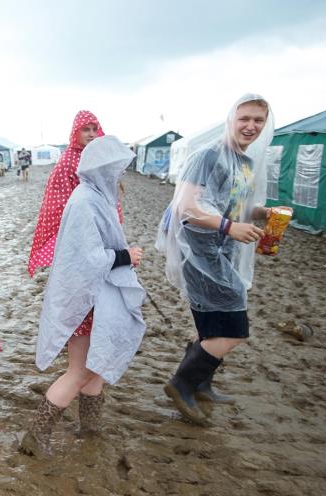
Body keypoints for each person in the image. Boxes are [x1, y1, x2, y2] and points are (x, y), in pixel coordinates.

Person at [155, 93, 281, 424]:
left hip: (223, 251)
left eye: (258, 121)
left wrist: (260, 212)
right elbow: (188, 207)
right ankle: (181, 383)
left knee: (212, 326)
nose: (251, 126)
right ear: (230, 119)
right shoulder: (208, 156)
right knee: (235, 328)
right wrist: (229, 227)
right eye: (245, 118)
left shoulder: (245, 162)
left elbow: (229, 204)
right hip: (200, 252)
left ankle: (200, 384)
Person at [18, 136, 146, 457]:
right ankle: (36, 434)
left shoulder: (97, 198)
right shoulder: (85, 201)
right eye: (115, 169)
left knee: (96, 367)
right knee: (81, 370)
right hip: (86, 302)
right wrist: (125, 257)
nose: (119, 175)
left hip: (97, 298)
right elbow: (87, 259)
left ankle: (89, 429)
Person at [27, 110, 105, 276]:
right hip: (81, 229)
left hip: (101, 225)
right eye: (86, 129)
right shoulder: (68, 161)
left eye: (94, 129)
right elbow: (59, 205)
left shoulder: (98, 156)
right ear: (76, 132)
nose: (92, 134)